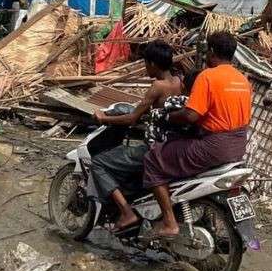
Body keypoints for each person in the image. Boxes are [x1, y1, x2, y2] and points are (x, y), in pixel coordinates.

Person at [143, 32, 251, 238]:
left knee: (153, 159)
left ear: (211, 51)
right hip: (238, 147)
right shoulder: (242, 80)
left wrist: (167, 117)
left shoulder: (207, 76)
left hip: (213, 147)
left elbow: (191, 115)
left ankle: (169, 222)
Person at [91, 40, 183, 232]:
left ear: (153, 64)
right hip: (172, 144)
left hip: (153, 148)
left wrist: (104, 119)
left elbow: (132, 118)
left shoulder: (158, 86)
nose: (144, 66)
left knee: (99, 163)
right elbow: (162, 111)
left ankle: (126, 212)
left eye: (145, 62)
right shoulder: (178, 82)